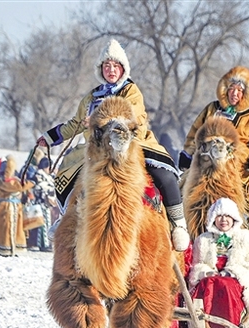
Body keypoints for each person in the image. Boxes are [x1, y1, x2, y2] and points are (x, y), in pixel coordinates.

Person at [36, 39, 189, 251]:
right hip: (98, 150)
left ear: (123, 68)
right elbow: (76, 123)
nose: (111, 70)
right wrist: (51, 137)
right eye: (106, 66)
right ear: (101, 69)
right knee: (70, 177)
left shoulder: (131, 91)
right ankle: (66, 217)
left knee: (165, 175)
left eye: (115, 66)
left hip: (132, 145)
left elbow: (131, 117)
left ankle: (177, 224)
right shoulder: (92, 96)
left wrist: (99, 118)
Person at [179, 66, 249, 249]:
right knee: (181, 185)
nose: (235, 94)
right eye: (232, 89)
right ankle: (176, 223)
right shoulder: (211, 109)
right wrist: (187, 153)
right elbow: (195, 133)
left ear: (245, 94)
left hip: (239, 169)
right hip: (206, 165)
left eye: (240, 90)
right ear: (225, 90)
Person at [188, 197, 249, 328]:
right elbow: (196, 264)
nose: (223, 220)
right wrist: (205, 272)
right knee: (208, 284)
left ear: (234, 218)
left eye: (227, 216)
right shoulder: (203, 239)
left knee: (226, 285)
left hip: (236, 282)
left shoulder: (245, 238)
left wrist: (234, 273)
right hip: (211, 281)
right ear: (213, 219)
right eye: (219, 216)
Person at [0, 155, 35, 256]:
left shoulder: (10, 179)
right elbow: (16, 187)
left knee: (14, 228)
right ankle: (5, 248)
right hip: (7, 206)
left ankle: (13, 247)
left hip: (13, 206)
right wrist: (30, 183)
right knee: (6, 227)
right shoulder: (3, 180)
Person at [28, 157, 56, 252]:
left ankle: (47, 243)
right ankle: (43, 244)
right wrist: (48, 194)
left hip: (48, 204)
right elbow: (40, 187)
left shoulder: (49, 176)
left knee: (47, 223)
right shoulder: (39, 175)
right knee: (43, 225)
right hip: (41, 203)